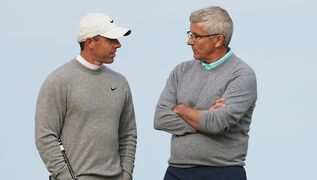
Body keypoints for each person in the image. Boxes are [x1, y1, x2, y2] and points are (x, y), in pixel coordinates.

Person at [154, 6, 257, 180]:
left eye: (196, 36)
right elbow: (160, 119)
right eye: (190, 34)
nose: (189, 41)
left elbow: (217, 123)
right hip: (176, 172)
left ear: (218, 40)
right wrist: (205, 116)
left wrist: (181, 110)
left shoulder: (241, 75)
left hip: (223, 172)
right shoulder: (181, 71)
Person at [35, 12, 137, 180]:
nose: (118, 45)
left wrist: (126, 175)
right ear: (90, 42)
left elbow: (128, 134)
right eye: (111, 40)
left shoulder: (120, 82)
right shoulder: (59, 81)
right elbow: (45, 136)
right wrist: (65, 176)